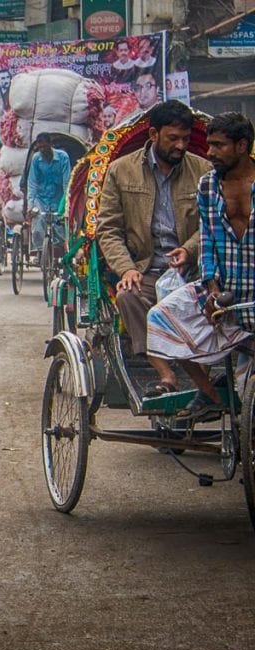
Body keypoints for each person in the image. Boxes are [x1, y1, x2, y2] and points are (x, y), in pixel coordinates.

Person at [95, 100, 212, 396]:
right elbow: (108, 229)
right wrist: (127, 268)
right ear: (153, 135)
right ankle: (166, 373)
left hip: (191, 271)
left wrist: (189, 249)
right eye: (173, 138)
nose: (181, 145)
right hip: (145, 270)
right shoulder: (121, 171)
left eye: (185, 139)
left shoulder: (203, 171)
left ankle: (207, 383)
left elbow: (211, 225)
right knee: (127, 296)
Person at [147, 112, 255, 417]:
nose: (209, 153)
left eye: (219, 146)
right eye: (209, 145)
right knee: (161, 317)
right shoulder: (208, 184)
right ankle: (211, 395)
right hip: (224, 292)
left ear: (242, 145)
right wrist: (211, 288)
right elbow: (208, 242)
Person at [26, 133, 71, 252]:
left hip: (59, 197)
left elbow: (67, 182)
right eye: (40, 148)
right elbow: (32, 183)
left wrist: (66, 203)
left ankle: (60, 251)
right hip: (41, 198)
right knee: (38, 223)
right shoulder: (36, 159)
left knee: (60, 225)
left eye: (44, 147)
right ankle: (40, 251)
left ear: (51, 145)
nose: (42, 151)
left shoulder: (63, 157)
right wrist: (31, 205)